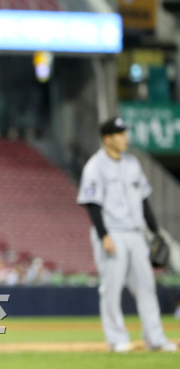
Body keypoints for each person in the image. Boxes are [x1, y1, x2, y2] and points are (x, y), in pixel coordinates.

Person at [76, 117, 177, 353]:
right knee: (111, 289)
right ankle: (117, 338)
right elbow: (92, 204)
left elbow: (144, 200)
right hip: (112, 233)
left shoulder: (132, 163)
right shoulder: (95, 166)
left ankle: (156, 338)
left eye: (125, 133)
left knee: (146, 286)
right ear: (107, 138)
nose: (125, 138)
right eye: (120, 134)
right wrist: (104, 236)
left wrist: (155, 231)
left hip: (136, 233)